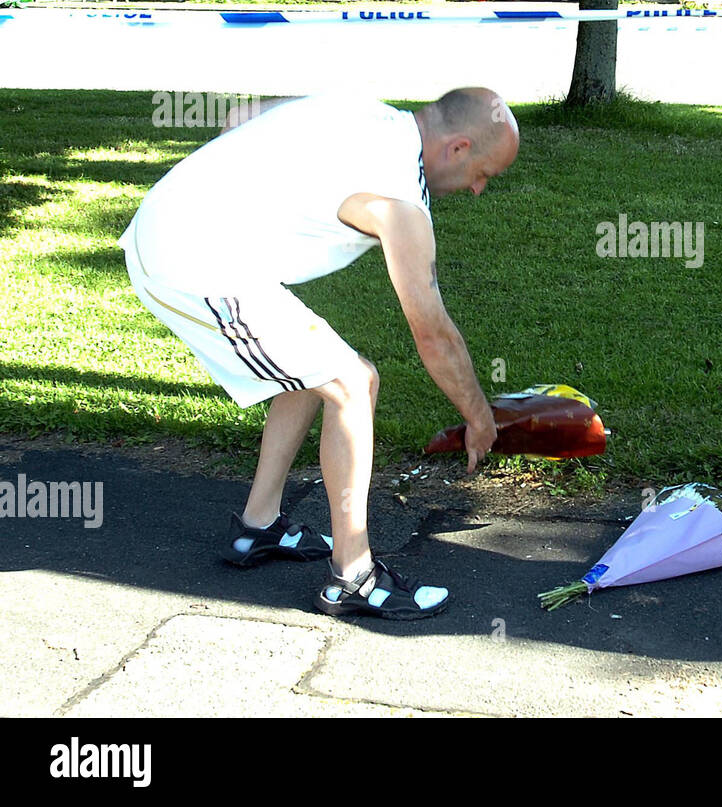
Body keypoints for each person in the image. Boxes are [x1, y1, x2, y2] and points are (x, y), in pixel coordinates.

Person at [118, 87, 518, 620]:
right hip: (190, 266)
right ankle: (353, 576)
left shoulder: (361, 107)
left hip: (181, 235)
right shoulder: (400, 202)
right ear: (459, 147)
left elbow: (241, 115)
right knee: (354, 383)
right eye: (483, 173)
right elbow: (433, 334)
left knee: (316, 367)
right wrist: (479, 417)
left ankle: (257, 529)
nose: (478, 189)